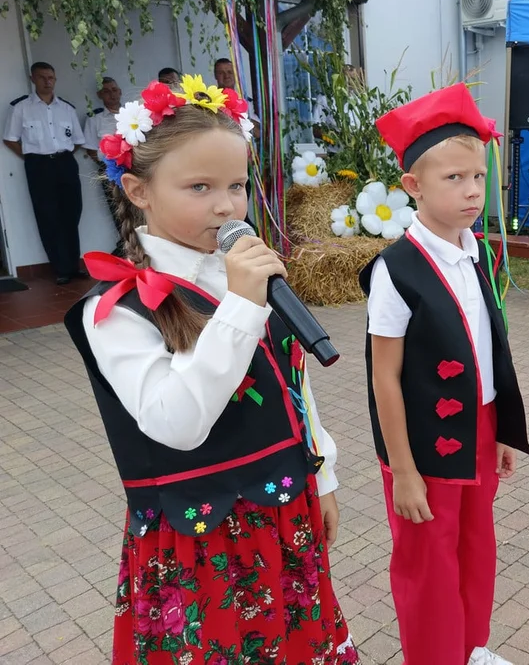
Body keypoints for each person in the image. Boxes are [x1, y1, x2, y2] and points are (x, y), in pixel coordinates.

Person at [61, 75, 357, 664]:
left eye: (236, 185)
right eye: (199, 187)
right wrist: (242, 308)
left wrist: (320, 476)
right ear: (138, 191)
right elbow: (176, 423)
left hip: (282, 506)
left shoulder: (243, 274)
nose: (225, 206)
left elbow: (291, 381)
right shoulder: (119, 306)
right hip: (202, 532)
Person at [359, 82, 529, 665]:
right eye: (452, 179)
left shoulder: (473, 248)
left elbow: (489, 347)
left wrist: (503, 428)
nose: (471, 191)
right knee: (427, 558)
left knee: (475, 545)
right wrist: (402, 471)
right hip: (422, 447)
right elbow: (384, 377)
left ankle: (467, 647)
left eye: (478, 177)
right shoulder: (397, 269)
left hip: (477, 429)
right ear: (413, 186)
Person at [3, 61, 86, 284]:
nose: (47, 82)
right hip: (39, 167)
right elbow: (10, 139)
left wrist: (59, 155)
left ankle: (73, 265)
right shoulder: (21, 108)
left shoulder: (66, 109)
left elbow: (77, 140)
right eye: (42, 77)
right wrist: (33, 156)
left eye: (51, 78)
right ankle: (60, 269)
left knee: (72, 212)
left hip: (65, 163)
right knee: (48, 216)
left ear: (55, 79)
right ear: (33, 79)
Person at [83, 76, 125, 237]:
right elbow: (91, 149)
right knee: (118, 211)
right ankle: (127, 247)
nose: (112, 94)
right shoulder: (94, 119)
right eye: (106, 91)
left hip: (136, 167)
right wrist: (110, 166)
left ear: (120, 92)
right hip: (111, 171)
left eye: (114, 90)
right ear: (100, 95)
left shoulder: (132, 113)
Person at [214, 58, 261, 138]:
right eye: (221, 73)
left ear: (235, 74)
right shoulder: (211, 100)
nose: (226, 76)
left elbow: (258, 133)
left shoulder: (245, 101)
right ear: (215, 76)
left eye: (230, 72)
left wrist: (238, 118)